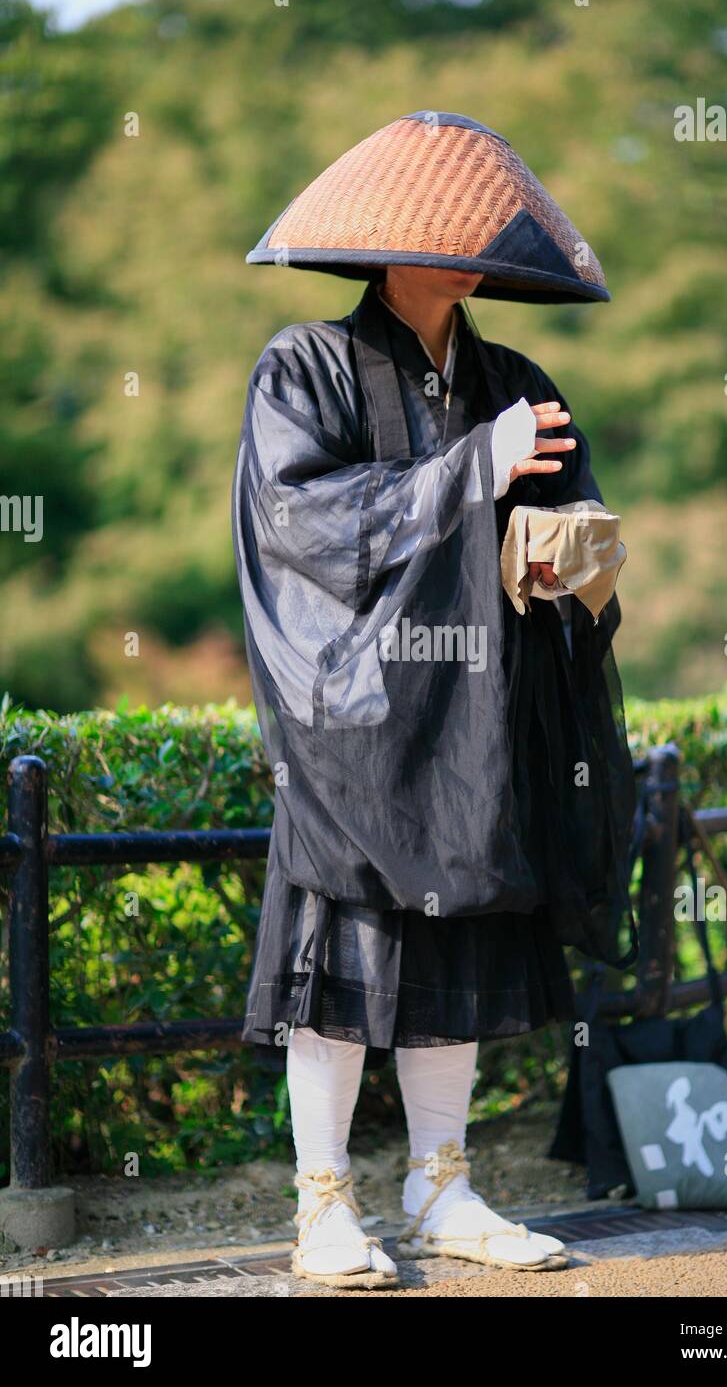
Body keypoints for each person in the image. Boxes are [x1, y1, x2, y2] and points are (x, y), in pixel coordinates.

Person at [233, 112, 636, 1288]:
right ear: (382, 244)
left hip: (475, 720)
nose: (467, 254)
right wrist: (474, 466)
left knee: (451, 944)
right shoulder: (298, 367)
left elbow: (575, 527)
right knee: (342, 955)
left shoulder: (512, 381)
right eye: (441, 236)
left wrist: (561, 560)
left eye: (479, 240)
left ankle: (440, 1186)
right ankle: (321, 1208)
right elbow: (300, 521)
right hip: (351, 722)